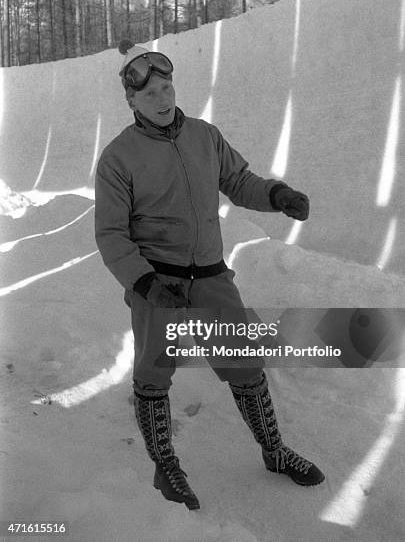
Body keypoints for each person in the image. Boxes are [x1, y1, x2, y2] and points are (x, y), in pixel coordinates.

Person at [94, 41, 325, 511]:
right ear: (132, 101)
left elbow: (239, 180)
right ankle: (166, 467)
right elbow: (112, 236)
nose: (162, 98)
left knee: (245, 364)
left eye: (166, 86)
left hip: (213, 278)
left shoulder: (204, 135)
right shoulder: (118, 158)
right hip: (159, 285)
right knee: (155, 374)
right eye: (150, 93)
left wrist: (276, 194)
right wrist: (144, 283)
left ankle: (275, 452)